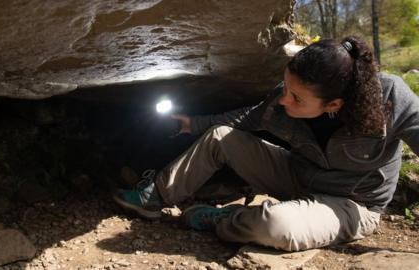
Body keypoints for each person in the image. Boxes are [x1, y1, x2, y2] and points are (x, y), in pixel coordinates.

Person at [113, 35, 419, 251]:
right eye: (286, 85)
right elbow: (246, 118)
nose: (283, 98)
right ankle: (157, 196)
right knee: (221, 137)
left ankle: (227, 218)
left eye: (296, 97)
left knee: (276, 225)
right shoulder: (283, 99)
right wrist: (194, 123)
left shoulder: (390, 97)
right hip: (297, 175)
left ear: (333, 104)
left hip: (352, 204)